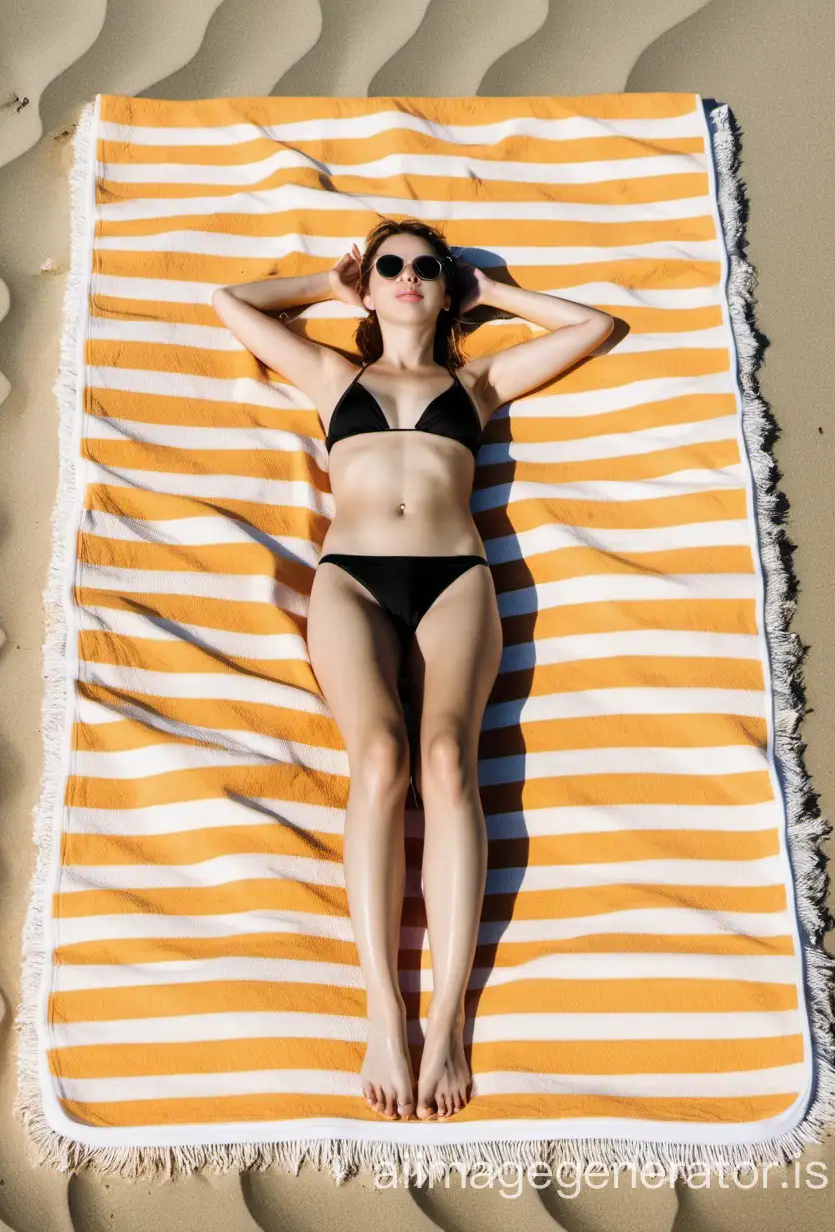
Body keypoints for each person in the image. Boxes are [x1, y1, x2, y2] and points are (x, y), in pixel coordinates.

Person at [211, 219, 614, 1123]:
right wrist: (327, 279)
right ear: (371, 284)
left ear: (444, 289)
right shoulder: (333, 376)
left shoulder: (475, 382)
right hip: (351, 580)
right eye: (389, 265)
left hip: (455, 579)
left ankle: (447, 1021)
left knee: (446, 763)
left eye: (424, 268)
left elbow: (590, 328)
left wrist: (493, 292)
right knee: (382, 763)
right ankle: (385, 1013)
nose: (404, 277)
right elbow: (228, 303)